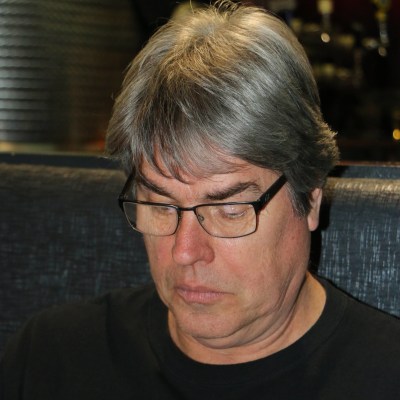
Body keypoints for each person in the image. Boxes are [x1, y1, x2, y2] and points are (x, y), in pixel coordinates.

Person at [1, 1, 399, 399]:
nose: (185, 252)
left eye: (229, 211)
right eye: (161, 206)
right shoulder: (51, 360)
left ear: (310, 198)